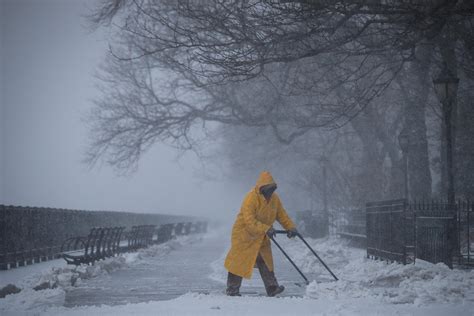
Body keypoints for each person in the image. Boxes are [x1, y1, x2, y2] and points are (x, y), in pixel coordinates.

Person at [224, 171, 298, 297]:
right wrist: (266, 228)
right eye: (268, 190)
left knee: (265, 260)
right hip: (244, 234)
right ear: (261, 188)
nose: (270, 193)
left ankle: (272, 288)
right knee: (239, 261)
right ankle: (232, 289)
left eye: (272, 189)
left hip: (261, 235)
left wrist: (290, 227)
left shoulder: (275, 199)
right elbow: (249, 220)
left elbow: (281, 215)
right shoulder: (251, 198)